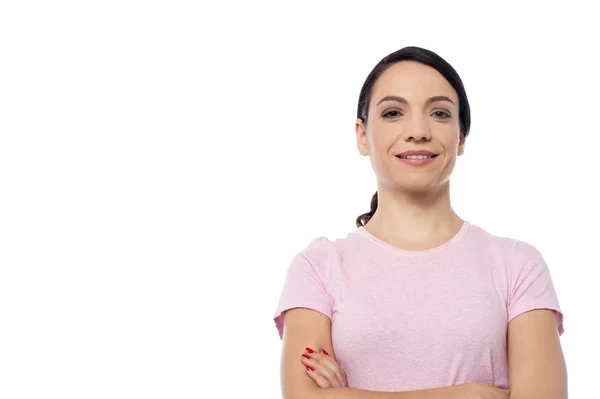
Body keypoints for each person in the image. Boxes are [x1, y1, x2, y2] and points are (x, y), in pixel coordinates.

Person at [273, 46, 567, 399]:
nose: (417, 130)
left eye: (440, 113)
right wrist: (467, 395)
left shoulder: (517, 265)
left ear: (460, 138)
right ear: (362, 135)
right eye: (394, 112)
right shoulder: (317, 267)